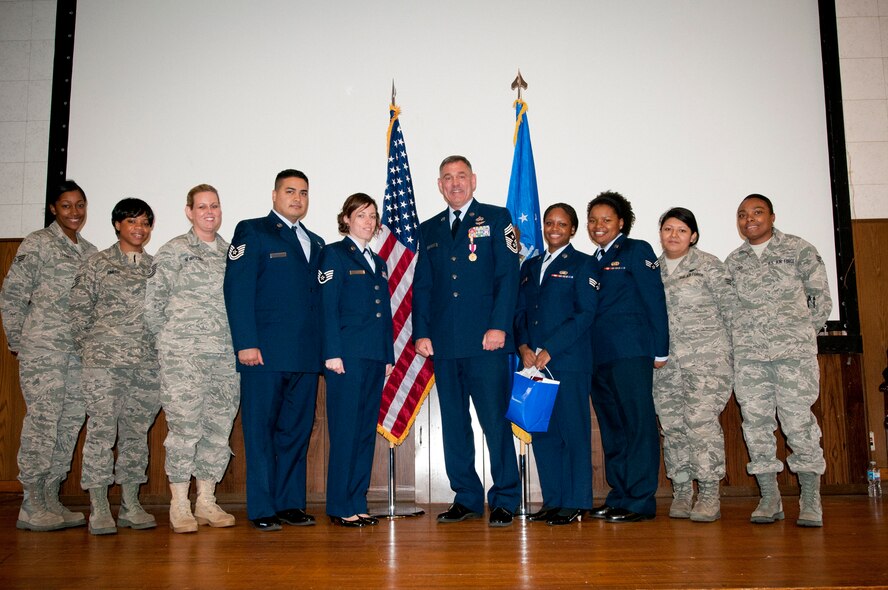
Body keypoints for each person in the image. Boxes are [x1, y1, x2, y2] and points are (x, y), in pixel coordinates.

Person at [413, 155, 522, 527]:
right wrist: (422, 331)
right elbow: (423, 286)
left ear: (473, 180)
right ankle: (467, 497)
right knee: (454, 423)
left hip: (485, 343)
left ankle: (505, 497)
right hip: (445, 344)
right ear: (440, 185)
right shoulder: (429, 229)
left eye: (461, 176)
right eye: (447, 177)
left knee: (494, 420)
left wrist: (499, 326)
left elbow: (508, 276)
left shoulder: (497, 218)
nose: (455, 183)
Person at [223, 169, 324, 531]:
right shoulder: (253, 231)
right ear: (274, 195)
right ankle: (263, 508)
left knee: (296, 433)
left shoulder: (316, 242)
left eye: (303, 193)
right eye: (290, 191)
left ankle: (290, 504)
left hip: (305, 356)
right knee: (261, 432)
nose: (297, 198)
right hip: (263, 355)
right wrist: (246, 343)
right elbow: (237, 289)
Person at [725, 194, 831, 527]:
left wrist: (798, 336)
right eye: (742, 215)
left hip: (793, 357)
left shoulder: (799, 249)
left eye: (757, 212)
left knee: (798, 423)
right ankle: (769, 498)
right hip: (750, 358)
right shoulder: (734, 262)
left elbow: (820, 299)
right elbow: (729, 311)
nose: (749, 219)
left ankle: (810, 499)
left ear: (772, 216)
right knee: (756, 425)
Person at [0, 180, 97, 531]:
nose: (75, 212)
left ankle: (50, 497)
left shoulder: (90, 252)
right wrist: (19, 341)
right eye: (66, 205)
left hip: (77, 354)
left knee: (69, 423)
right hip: (44, 350)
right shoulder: (38, 243)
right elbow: (13, 294)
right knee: (43, 422)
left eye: (80, 205)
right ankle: (31, 502)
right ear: (54, 208)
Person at [144, 184, 239, 533]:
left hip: (225, 357)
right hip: (183, 357)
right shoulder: (173, 251)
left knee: (218, 429)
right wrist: (171, 345)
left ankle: (206, 501)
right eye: (202, 207)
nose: (209, 212)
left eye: (214, 205)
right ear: (189, 211)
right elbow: (153, 306)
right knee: (184, 430)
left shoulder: (232, 254)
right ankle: (180, 504)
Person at [69, 198, 161, 535]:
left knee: (136, 435)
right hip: (104, 365)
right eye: (132, 221)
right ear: (118, 224)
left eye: (145, 223)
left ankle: (130, 504)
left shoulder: (155, 267)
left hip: (145, 366)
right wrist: (93, 352)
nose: (139, 228)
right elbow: (78, 312)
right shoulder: (97, 263)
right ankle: (98, 506)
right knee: (101, 433)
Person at [586, 191, 669, 523]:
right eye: (593, 220)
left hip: (631, 353)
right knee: (613, 429)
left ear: (621, 222)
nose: (598, 225)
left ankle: (640, 500)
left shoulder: (637, 251)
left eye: (606, 219)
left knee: (637, 425)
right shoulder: (592, 260)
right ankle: (619, 494)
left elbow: (654, 300)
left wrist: (660, 348)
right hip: (599, 356)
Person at [514, 203, 599, 526]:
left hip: (568, 362)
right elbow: (519, 312)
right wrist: (523, 346)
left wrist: (551, 349)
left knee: (573, 432)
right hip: (533, 365)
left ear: (573, 230)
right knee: (544, 433)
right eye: (550, 222)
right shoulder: (530, 266)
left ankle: (576, 501)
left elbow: (585, 314)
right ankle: (554, 500)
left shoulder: (584, 264)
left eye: (562, 224)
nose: (554, 228)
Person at [653, 207, 735, 522]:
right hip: (665, 366)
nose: (673, 235)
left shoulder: (709, 266)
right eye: (668, 229)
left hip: (706, 363)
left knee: (701, 424)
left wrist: (732, 357)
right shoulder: (651, 269)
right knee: (672, 426)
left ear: (693, 236)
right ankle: (683, 491)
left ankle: (709, 493)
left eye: (681, 230)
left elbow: (731, 312)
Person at [319, 193, 394, 527]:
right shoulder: (334, 254)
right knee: (346, 431)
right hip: (346, 358)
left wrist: (387, 354)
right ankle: (340, 505)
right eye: (361, 215)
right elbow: (327, 307)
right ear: (346, 219)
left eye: (373, 216)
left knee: (364, 432)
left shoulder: (379, 262)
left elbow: (384, 313)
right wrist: (332, 352)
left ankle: (357, 501)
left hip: (374, 356)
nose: (368, 221)